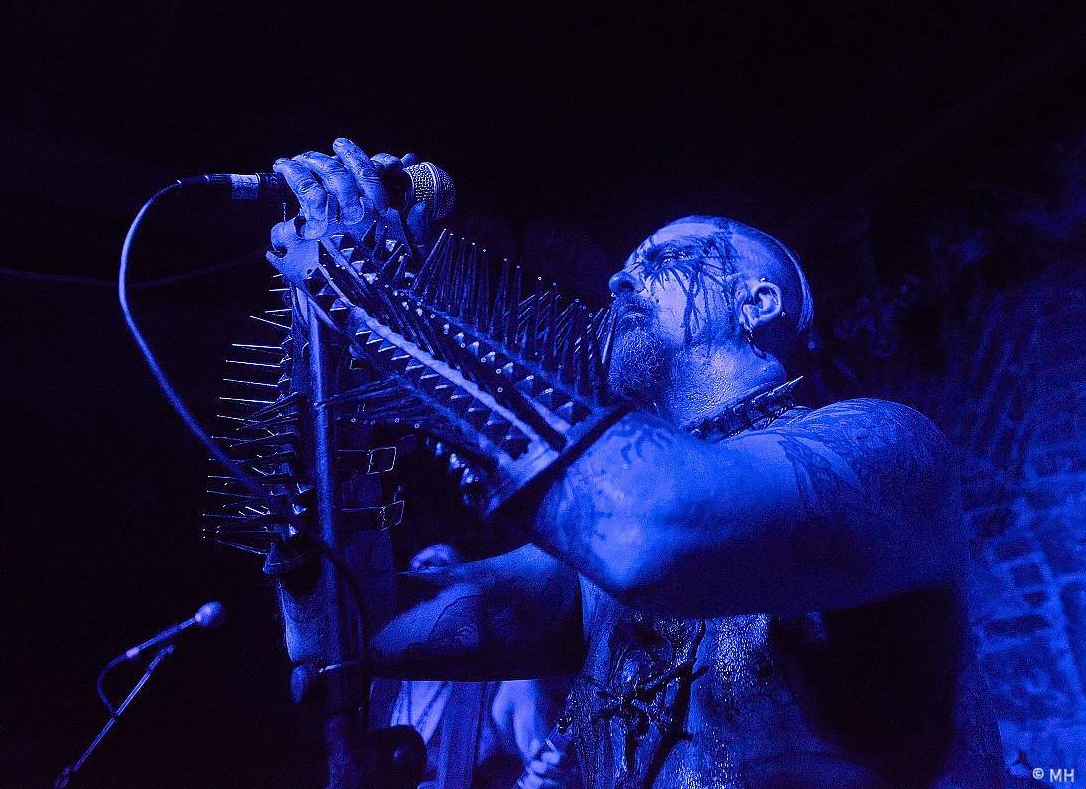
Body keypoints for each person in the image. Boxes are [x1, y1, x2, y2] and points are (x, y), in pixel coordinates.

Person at [271, 139, 1006, 788]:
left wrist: (388, 305)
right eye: (623, 266)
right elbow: (347, 638)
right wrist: (325, 360)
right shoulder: (587, 571)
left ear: (759, 301)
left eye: (660, 260)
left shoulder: (887, 444)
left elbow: (653, 532)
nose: (619, 281)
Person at [371, 544, 575, 789]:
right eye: (417, 576)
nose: (426, 572)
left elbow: (548, 772)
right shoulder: (378, 689)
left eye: (442, 572)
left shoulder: (511, 689)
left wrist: (551, 781)